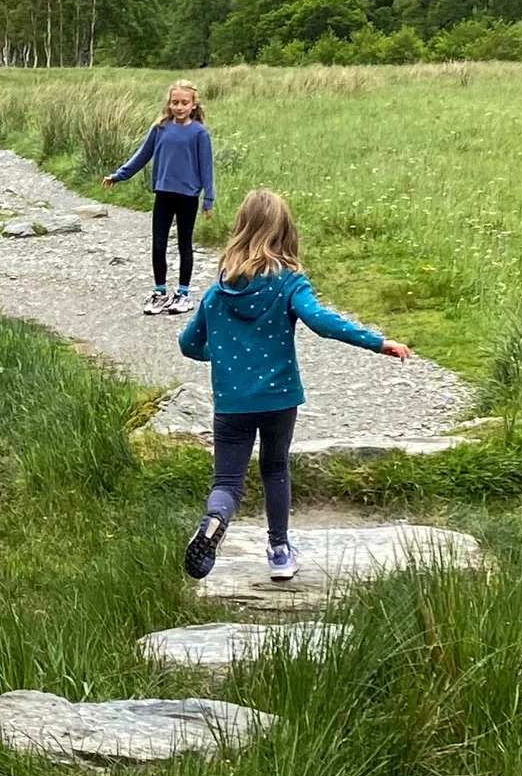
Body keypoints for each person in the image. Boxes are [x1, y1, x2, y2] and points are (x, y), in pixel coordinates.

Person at [175, 187, 411, 581]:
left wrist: (227, 358)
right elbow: (319, 320)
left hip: (232, 402)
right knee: (275, 468)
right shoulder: (288, 283)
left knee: (227, 482)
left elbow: (188, 344)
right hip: (279, 400)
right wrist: (376, 342)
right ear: (284, 231)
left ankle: (214, 519)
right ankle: (280, 552)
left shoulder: (218, 293)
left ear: (240, 228)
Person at [104, 82, 215, 314]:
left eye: (185, 103)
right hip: (164, 193)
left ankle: (183, 294)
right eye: (175, 102)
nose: (179, 107)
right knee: (158, 243)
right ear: (169, 104)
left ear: (194, 105)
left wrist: (208, 199)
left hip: (188, 195)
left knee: (185, 244)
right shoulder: (160, 128)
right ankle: (159, 292)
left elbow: (206, 168)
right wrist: (119, 175)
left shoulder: (199, 133)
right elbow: (142, 155)